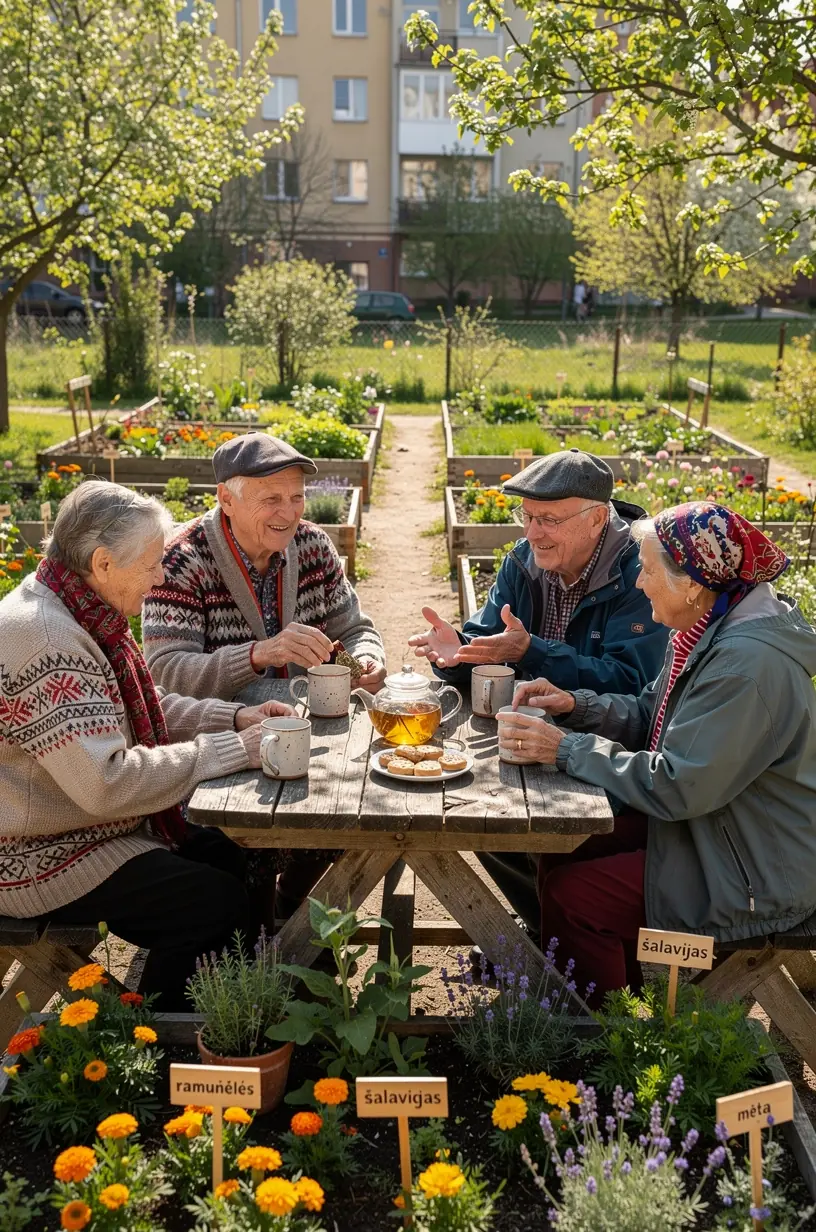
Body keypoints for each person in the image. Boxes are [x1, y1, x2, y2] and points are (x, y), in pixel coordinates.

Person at [498, 502, 816, 1007]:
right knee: (562, 849)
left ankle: (604, 1042)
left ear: (691, 581)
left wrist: (565, 748)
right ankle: (616, 997)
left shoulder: (745, 667)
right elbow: (653, 712)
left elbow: (677, 785)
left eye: (646, 570)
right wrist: (575, 705)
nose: (639, 583)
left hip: (754, 869)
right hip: (719, 827)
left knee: (574, 897)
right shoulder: (708, 626)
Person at [0, 481, 296, 1009]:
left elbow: (139, 706)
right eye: (152, 564)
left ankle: (231, 1009)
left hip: (78, 829)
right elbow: (107, 782)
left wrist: (234, 717)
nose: (161, 577)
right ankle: (154, 1041)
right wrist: (234, 750)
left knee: (235, 847)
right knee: (213, 903)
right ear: (103, 562)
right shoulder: (46, 638)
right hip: (36, 855)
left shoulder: (75, 605)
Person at [409, 449, 667, 938]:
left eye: (548, 519)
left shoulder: (641, 571)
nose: (532, 532)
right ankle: (548, 940)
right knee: (477, 817)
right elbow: (493, 644)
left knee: (545, 834)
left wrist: (533, 651)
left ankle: (562, 946)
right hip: (531, 740)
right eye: (526, 516)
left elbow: (634, 684)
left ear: (597, 519)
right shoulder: (524, 561)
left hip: (608, 751)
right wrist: (458, 654)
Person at [143, 432, 387, 918]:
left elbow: (355, 627)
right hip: (222, 746)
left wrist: (365, 661)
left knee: (351, 812)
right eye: (270, 498)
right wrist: (258, 653)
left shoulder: (313, 546)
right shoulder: (182, 561)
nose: (289, 512)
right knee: (236, 855)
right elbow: (166, 673)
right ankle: (255, 940)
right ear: (225, 499)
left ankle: (296, 911)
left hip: (311, 735)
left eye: (296, 497)